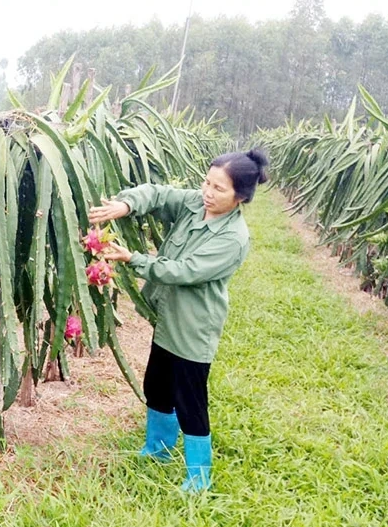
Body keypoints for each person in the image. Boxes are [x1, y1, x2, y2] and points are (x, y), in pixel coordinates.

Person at [87, 149, 269, 493]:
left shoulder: (233, 238)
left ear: (240, 196)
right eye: (207, 182)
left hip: (194, 327)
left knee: (190, 402)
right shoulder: (195, 204)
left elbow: (185, 271)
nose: (208, 192)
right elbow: (158, 194)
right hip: (168, 317)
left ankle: (199, 477)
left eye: (219, 188)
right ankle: (157, 449)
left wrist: (133, 258)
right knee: (155, 387)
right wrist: (125, 204)